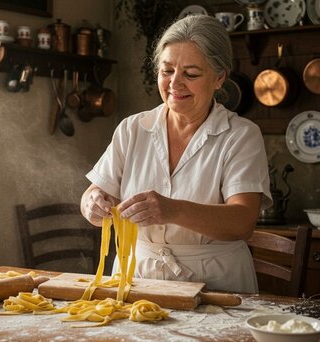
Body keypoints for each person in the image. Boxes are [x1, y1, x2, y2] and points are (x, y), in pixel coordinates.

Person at [80, 15, 271, 293]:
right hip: (136, 279)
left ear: (219, 78)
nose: (174, 84)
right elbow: (94, 193)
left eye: (191, 74)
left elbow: (242, 222)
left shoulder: (240, 135)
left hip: (217, 284)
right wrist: (92, 204)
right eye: (166, 71)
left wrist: (173, 210)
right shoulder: (133, 129)